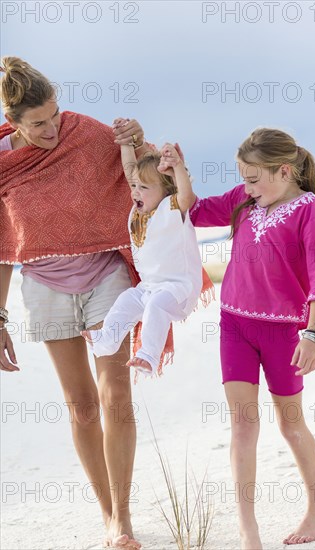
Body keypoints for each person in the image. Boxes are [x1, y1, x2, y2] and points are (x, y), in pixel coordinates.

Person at [0, 56, 155, 550]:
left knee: (116, 395)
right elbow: (4, 247)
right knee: (82, 406)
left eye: (55, 113)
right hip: (43, 287)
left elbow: (143, 180)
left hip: (106, 274)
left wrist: (136, 140)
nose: (52, 127)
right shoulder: (3, 161)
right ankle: (107, 512)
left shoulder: (83, 133)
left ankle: (124, 518)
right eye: (38, 122)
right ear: (13, 122)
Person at [160, 128, 315, 549]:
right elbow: (196, 211)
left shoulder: (308, 210)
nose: (248, 187)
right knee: (242, 424)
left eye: (255, 178)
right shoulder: (245, 200)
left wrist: (313, 334)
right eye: (243, 178)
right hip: (235, 324)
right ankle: (248, 529)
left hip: (284, 331)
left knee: (291, 424)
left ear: (284, 170)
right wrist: (180, 170)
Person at [81, 140, 204, 375]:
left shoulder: (172, 206)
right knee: (126, 300)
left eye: (144, 187)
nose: (136, 191)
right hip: (149, 288)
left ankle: (148, 356)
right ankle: (105, 340)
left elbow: (186, 195)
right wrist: (126, 144)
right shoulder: (139, 210)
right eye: (135, 186)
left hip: (178, 290)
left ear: (167, 190)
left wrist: (177, 166)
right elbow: (130, 170)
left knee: (156, 307)